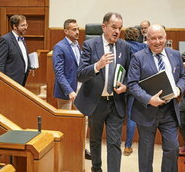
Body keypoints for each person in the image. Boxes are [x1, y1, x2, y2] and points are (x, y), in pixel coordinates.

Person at [74, 12, 131, 172]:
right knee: (95, 140)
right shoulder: (90, 45)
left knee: (114, 143)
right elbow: (80, 74)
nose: (117, 31)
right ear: (104, 26)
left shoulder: (125, 47)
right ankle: (96, 169)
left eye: (119, 28)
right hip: (95, 101)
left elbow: (131, 73)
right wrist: (97, 66)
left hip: (116, 102)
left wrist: (126, 85)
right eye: (114, 27)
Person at [127, 24, 185, 172]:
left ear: (166, 38)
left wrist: (179, 88)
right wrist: (149, 99)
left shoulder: (176, 55)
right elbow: (132, 84)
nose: (157, 41)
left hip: (169, 111)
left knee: (172, 149)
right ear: (147, 40)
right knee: (146, 154)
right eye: (153, 38)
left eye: (160, 37)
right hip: (146, 111)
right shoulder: (138, 57)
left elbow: (182, 77)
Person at [52, 18, 91, 160]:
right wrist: (69, 91)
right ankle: (64, 150)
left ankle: (81, 147)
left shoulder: (78, 46)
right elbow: (59, 73)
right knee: (65, 122)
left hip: (80, 87)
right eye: (74, 29)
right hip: (66, 91)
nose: (77, 31)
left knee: (83, 119)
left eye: (77, 28)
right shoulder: (59, 47)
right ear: (66, 31)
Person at [123, 27, 147, 156]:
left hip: (121, 83)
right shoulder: (143, 47)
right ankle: (127, 146)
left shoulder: (121, 45)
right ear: (137, 36)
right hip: (135, 84)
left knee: (118, 114)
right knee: (131, 116)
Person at [0, 14, 30, 86]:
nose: (26, 27)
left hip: (22, 79)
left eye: (26, 25)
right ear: (14, 26)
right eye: (22, 25)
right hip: (10, 81)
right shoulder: (5, 40)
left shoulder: (22, 39)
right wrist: (3, 82)